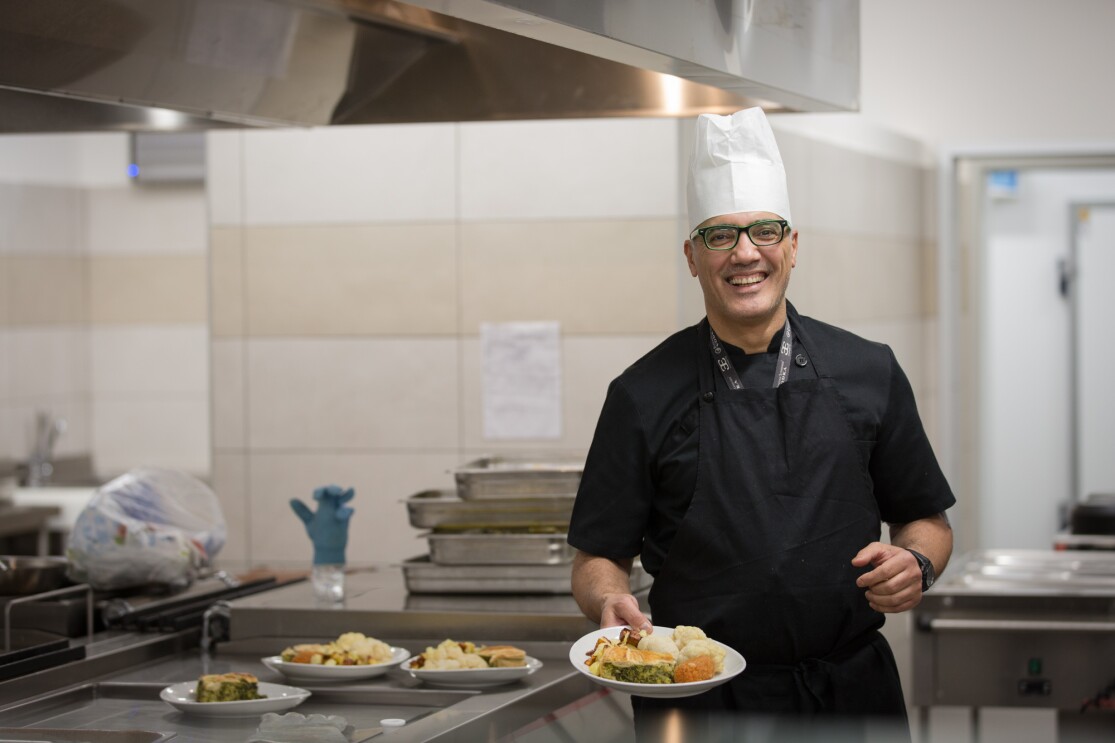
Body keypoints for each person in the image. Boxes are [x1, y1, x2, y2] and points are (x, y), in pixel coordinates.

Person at [567, 108, 955, 739]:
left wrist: (918, 563)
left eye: (765, 231)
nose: (745, 254)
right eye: (720, 236)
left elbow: (928, 521)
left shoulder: (869, 370)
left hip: (850, 696)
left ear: (793, 246)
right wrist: (605, 601)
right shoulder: (641, 394)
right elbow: (598, 556)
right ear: (692, 257)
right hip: (701, 703)